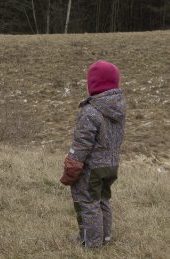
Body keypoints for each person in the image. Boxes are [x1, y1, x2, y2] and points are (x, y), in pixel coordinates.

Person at [60, 61, 126, 248]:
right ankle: (104, 238)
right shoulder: (118, 108)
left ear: (93, 84)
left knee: (88, 203)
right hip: (111, 165)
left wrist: (71, 166)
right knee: (103, 200)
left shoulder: (90, 111)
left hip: (92, 168)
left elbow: (81, 144)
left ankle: (92, 243)